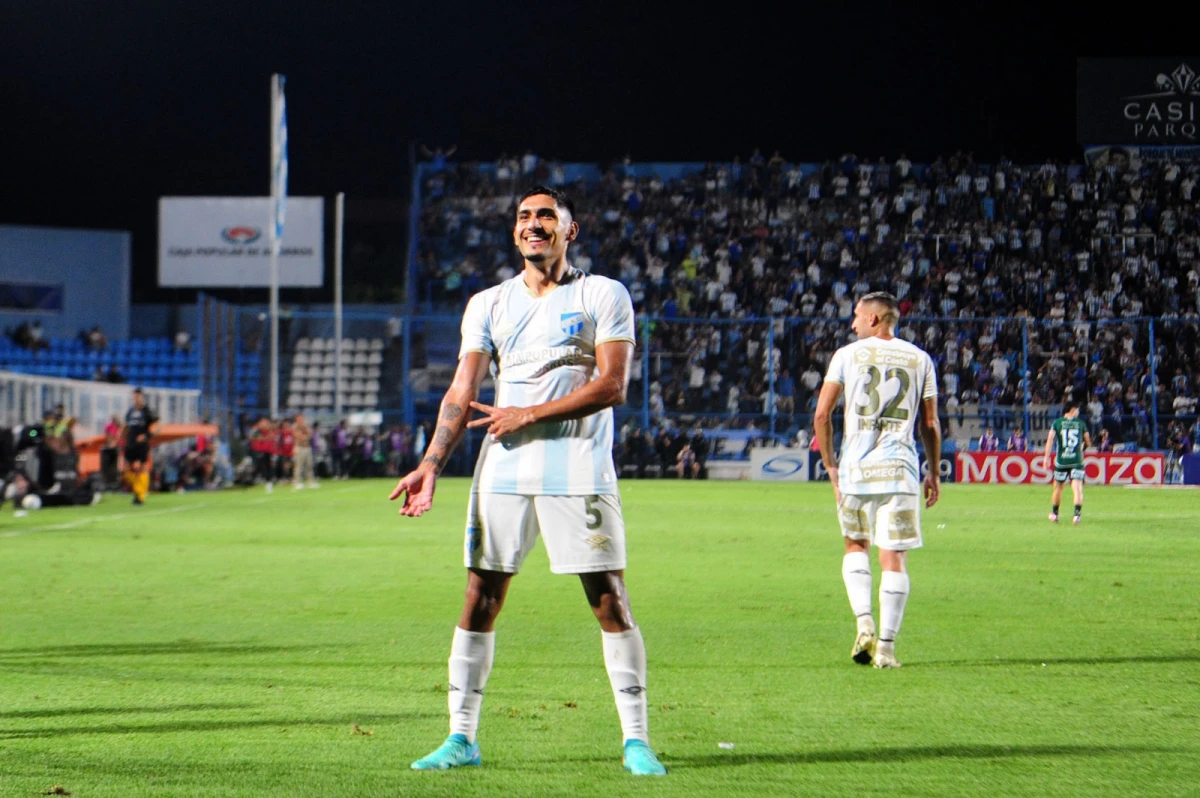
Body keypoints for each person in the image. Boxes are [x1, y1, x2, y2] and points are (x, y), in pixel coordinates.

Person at [390, 186, 666, 776]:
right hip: (505, 469)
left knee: (609, 601)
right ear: (514, 232)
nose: (532, 225)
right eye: (523, 217)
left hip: (579, 468)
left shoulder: (603, 294)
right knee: (479, 597)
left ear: (571, 230)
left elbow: (613, 386)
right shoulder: (488, 303)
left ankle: (636, 740)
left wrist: (528, 413)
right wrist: (431, 463)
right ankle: (461, 739)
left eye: (545, 216)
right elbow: (463, 392)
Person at [814, 292, 940, 670]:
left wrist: (831, 467)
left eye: (856, 316)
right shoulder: (920, 359)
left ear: (873, 319)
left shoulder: (846, 356)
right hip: (901, 471)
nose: (852, 323)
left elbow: (822, 415)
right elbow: (929, 424)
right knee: (894, 558)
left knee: (855, 545)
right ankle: (885, 649)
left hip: (856, 470)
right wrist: (933, 470)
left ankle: (863, 622)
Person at [1043, 399, 1091, 525]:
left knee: (1058, 487)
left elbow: (1050, 440)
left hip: (1061, 460)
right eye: (1077, 409)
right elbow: (1088, 441)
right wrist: (1083, 449)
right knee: (1077, 488)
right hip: (1077, 460)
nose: (1078, 412)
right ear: (1072, 410)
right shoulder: (1081, 423)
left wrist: (1046, 457)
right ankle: (1077, 515)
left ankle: (1054, 514)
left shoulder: (1057, 423)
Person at [120, 388, 157, 505]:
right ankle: (138, 490)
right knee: (125, 470)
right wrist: (120, 436)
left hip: (142, 445)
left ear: (142, 397)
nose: (136, 399)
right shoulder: (130, 411)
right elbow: (125, 426)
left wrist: (147, 435)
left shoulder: (147, 411)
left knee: (142, 468)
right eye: (134, 397)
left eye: (138, 397)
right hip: (130, 443)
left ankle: (140, 496)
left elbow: (159, 426)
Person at [292, 413, 318, 489]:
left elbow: (311, 433)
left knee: (309, 465)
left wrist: (305, 432)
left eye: (302, 418)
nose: (301, 419)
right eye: (300, 418)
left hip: (307, 447)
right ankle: (297, 482)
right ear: (296, 419)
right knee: (299, 466)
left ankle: (310, 481)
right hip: (300, 447)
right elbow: (300, 437)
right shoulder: (295, 426)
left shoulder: (305, 425)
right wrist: (306, 434)